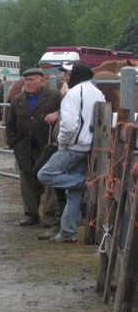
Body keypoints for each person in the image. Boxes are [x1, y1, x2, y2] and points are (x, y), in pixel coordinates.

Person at [37, 61, 105, 242]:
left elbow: (68, 126)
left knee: (44, 174)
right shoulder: (98, 92)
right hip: (90, 147)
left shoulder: (72, 94)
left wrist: (62, 144)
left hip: (73, 147)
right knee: (73, 192)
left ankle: (86, 184)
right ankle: (68, 233)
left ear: (77, 74)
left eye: (68, 73)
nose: (65, 76)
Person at [5, 67, 62, 227]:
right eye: (26, 80)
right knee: (27, 182)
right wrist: (13, 143)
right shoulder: (17, 100)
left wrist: (58, 113)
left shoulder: (54, 96)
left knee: (49, 180)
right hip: (24, 147)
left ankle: (49, 215)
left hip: (47, 146)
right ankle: (31, 214)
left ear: (41, 80)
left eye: (32, 80)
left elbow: (67, 110)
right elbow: (9, 124)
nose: (28, 83)